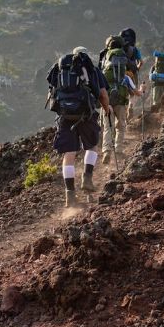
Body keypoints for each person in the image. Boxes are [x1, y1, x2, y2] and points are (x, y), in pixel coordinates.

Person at [47, 46, 110, 207]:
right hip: (86, 114)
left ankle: (70, 195)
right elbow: (103, 94)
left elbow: (52, 93)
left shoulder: (60, 70)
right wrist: (106, 109)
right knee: (92, 147)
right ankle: (87, 178)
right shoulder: (92, 70)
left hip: (65, 116)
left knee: (69, 155)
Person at [100, 35, 144, 165]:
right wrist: (142, 89)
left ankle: (106, 151)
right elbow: (136, 92)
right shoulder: (125, 76)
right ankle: (118, 149)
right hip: (121, 100)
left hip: (107, 100)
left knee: (108, 127)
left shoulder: (104, 67)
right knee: (121, 126)